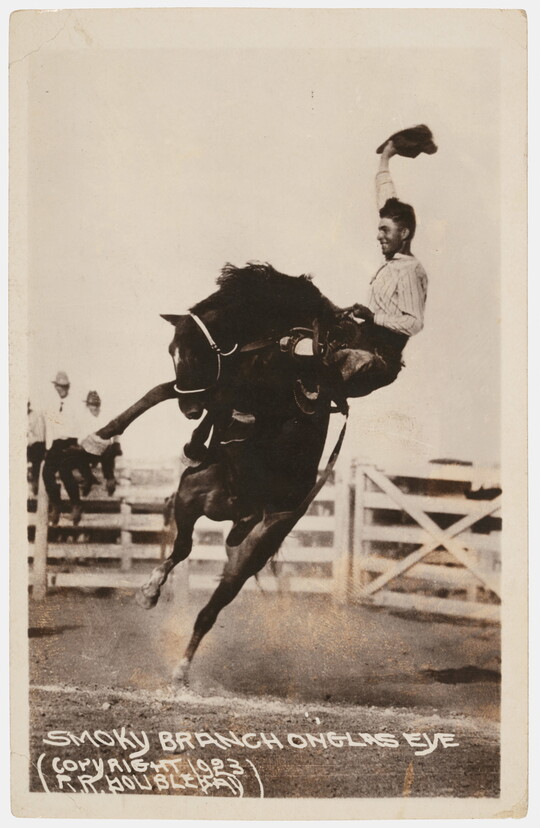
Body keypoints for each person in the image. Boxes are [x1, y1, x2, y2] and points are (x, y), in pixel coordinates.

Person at [326, 128, 431, 397]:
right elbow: (386, 201)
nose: (379, 235)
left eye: (385, 230)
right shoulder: (395, 250)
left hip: (378, 359)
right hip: (363, 338)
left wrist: (374, 317)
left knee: (324, 365)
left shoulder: (411, 271)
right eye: (380, 229)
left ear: (404, 233)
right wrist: (386, 158)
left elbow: (414, 323)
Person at [42, 371, 86, 525]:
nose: (60, 389)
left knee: (65, 471)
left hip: (71, 443)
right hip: (56, 443)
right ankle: (56, 505)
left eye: (63, 386)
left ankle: (76, 505)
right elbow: (51, 426)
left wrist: (78, 446)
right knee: (47, 473)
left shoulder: (75, 404)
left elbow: (81, 425)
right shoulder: (52, 404)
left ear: (68, 387)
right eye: (58, 386)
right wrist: (49, 447)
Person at [27, 401, 46, 495]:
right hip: (28, 444)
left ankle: (36, 483)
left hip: (36, 444)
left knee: (36, 452)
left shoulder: (35, 415)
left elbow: (39, 437)